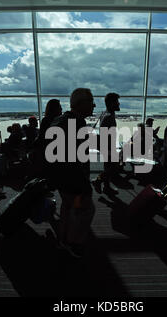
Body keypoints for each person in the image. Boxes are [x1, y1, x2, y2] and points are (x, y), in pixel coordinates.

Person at [45, 88, 96, 258]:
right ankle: (75, 244)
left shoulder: (59, 119)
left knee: (67, 208)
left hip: (60, 177)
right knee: (85, 210)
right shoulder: (77, 123)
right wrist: (84, 186)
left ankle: (64, 240)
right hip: (72, 179)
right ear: (81, 103)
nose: (94, 105)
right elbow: (77, 160)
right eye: (91, 101)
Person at [92, 92, 121, 196]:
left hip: (107, 145)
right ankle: (98, 181)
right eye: (117, 102)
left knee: (108, 167)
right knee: (113, 167)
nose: (119, 104)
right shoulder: (108, 116)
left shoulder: (105, 113)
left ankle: (106, 187)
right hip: (107, 146)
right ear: (112, 103)